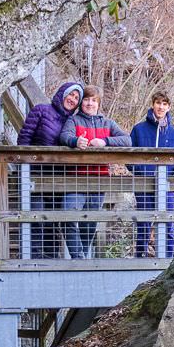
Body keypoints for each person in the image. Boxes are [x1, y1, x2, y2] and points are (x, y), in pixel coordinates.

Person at [58, 89, 130, 258]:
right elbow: (64, 136)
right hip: (76, 179)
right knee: (67, 215)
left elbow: (127, 139)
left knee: (89, 223)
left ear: (99, 103)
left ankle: (84, 257)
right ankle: (79, 256)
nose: (90, 103)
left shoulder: (107, 123)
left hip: (99, 180)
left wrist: (105, 142)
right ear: (81, 102)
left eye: (94, 100)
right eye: (87, 100)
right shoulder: (73, 120)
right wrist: (76, 141)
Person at [16, 80, 82, 256]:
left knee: (54, 220)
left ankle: (53, 258)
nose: (73, 99)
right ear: (62, 93)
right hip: (35, 175)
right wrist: (25, 169)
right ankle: (35, 258)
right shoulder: (41, 110)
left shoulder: (72, 121)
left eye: (77, 98)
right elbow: (24, 138)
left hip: (60, 177)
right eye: (71, 94)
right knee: (37, 217)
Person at [130, 92, 174, 256]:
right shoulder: (139, 129)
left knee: (168, 224)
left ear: (169, 107)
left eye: (164, 104)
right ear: (153, 104)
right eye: (158, 103)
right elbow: (128, 156)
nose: (161, 107)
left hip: (167, 185)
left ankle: (168, 262)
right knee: (143, 224)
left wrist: (170, 173)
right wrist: (140, 171)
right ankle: (140, 259)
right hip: (143, 184)